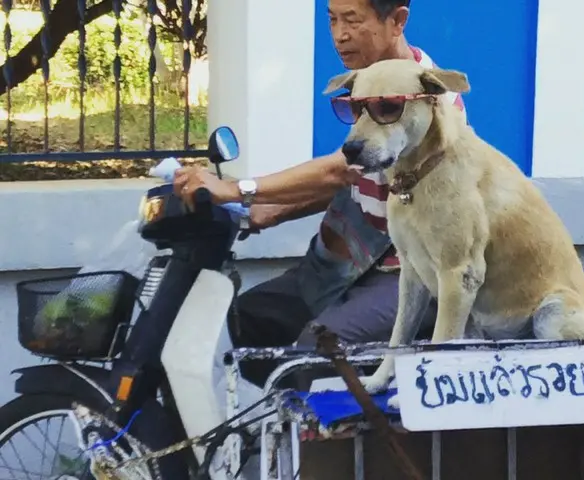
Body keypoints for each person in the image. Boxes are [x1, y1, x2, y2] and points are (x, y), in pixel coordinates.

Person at [174, 0, 467, 386]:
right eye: (332, 19)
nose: (339, 34)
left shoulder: (425, 95)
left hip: (405, 272)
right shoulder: (368, 83)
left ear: (396, 21)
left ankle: (332, 440)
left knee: (313, 357)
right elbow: (357, 179)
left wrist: (235, 189)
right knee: (244, 323)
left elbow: (340, 169)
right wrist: (269, 212)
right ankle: (270, 432)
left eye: (352, 20)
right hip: (341, 264)